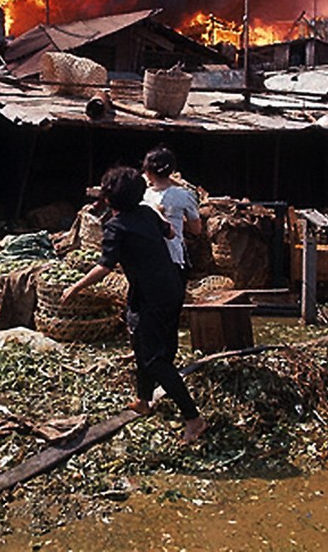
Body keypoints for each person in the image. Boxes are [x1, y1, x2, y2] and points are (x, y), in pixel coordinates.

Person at [61, 166, 206, 444]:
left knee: (155, 360)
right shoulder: (148, 213)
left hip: (152, 295)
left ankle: (193, 418)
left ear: (110, 199)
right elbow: (172, 233)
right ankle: (143, 399)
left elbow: (105, 266)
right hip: (168, 288)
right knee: (142, 344)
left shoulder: (116, 227)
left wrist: (75, 286)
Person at [141, 146, 201, 282]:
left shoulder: (142, 196)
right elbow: (196, 230)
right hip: (173, 257)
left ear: (148, 172)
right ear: (172, 171)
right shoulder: (184, 195)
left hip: (145, 258)